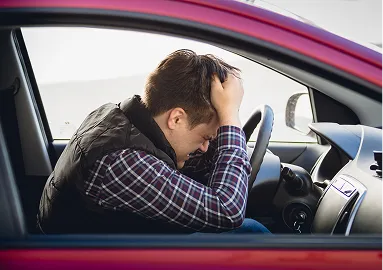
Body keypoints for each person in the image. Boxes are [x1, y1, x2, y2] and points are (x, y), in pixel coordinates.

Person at [37, 49, 270, 234]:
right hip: (88, 259)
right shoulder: (123, 162)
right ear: (176, 118)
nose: (205, 147)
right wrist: (230, 117)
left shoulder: (123, 118)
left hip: (118, 242)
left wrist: (223, 122)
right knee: (252, 233)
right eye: (205, 138)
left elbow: (195, 164)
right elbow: (228, 212)